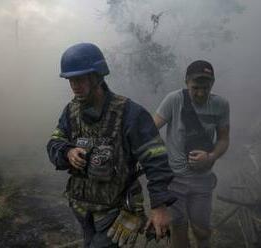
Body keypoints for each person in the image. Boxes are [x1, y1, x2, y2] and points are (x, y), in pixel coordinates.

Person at [47, 42, 176, 247]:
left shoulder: (130, 114)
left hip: (117, 213)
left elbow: (156, 160)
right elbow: (54, 142)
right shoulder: (70, 112)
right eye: (70, 80)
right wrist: (67, 151)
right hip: (83, 210)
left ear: (98, 76)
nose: (74, 86)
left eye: (80, 79)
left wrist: (159, 206)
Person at [154, 60, 230, 248]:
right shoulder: (174, 100)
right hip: (175, 180)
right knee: (178, 227)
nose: (201, 93)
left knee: (201, 230)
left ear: (212, 83)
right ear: (186, 82)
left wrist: (210, 157)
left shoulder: (220, 105)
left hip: (202, 180)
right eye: (195, 87)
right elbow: (150, 128)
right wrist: (162, 152)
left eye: (206, 87)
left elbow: (223, 139)